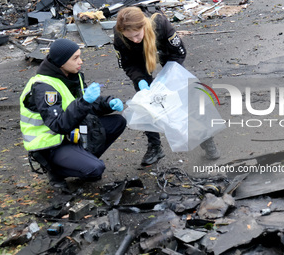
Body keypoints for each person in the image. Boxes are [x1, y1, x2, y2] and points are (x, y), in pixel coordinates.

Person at [113, 6, 220, 166]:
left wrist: (168, 78)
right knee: (146, 104)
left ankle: (206, 139)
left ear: (143, 26)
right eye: (130, 38)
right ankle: (155, 147)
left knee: (186, 98)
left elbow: (179, 52)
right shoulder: (120, 35)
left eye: (136, 35)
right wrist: (140, 79)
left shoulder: (160, 23)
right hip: (140, 61)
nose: (134, 40)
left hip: (167, 56)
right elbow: (128, 64)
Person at [20, 38, 127, 190]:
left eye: (80, 56)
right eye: (75, 58)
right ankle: (55, 171)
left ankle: (83, 162)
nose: (81, 61)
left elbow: (88, 105)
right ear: (61, 62)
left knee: (117, 122)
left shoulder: (73, 76)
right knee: (95, 169)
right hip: (51, 145)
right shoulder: (44, 87)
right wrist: (84, 101)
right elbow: (58, 124)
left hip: (71, 134)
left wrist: (107, 103)